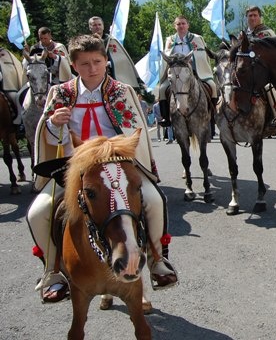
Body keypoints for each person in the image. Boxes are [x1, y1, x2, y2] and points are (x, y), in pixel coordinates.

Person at [27, 35, 178, 303]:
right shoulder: (60, 94)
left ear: (106, 61)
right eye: (84, 63)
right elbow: (50, 140)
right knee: (38, 212)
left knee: (154, 201)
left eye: (97, 61)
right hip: (75, 167)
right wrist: (53, 123)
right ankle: (53, 272)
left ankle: (158, 260)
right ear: (73, 65)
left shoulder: (122, 91)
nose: (92, 68)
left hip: (117, 163)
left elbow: (135, 133)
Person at [156, 15, 217, 126]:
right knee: (162, 89)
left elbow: (203, 56)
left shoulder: (197, 38)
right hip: (176, 74)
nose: (181, 26)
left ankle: (213, 115)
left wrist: (191, 60)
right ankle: (166, 118)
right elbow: (166, 58)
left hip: (195, 72)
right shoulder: (170, 40)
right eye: (178, 24)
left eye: (183, 23)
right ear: (175, 26)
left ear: (188, 25)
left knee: (212, 86)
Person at [88, 16, 149, 95]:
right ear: (90, 27)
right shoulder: (87, 43)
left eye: (99, 24)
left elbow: (120, 59)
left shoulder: (111, 41)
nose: (97, 27)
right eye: (94, 25)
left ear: (103, 26)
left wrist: (110, 63)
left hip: (112, 76)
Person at [0, 45, 24, 130]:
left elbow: (13, 69)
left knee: (16, 98)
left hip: (7, 86)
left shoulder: (5, 54)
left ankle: (20, 122)